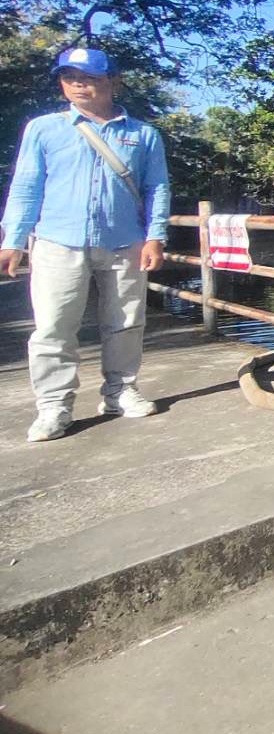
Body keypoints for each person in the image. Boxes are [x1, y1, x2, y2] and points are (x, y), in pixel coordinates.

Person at [1, 49, 170, 442]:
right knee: (54, 326)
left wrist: (155, 236)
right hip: (58, 241)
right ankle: (53, 406)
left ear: (113, 80)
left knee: (126, 323)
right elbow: (26, 186)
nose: (78, 84)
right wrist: (13, 240)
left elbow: (157, 188)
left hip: (124, 241)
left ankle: (120, 391)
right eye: (69, 76)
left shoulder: (143, 134)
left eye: (89, 77)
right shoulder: (43, 129)